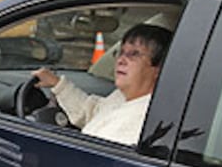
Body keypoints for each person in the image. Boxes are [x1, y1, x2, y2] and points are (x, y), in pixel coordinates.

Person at [32, 23, 172, 146]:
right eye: (121, 52)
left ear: (159, 69)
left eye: (134, 54)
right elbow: (91, 112)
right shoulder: (121, 97)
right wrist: (58, 84)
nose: (121, 60)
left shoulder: (147, 120)